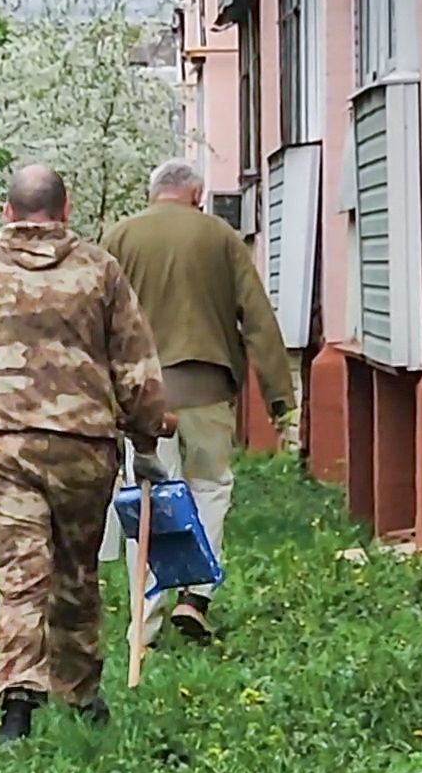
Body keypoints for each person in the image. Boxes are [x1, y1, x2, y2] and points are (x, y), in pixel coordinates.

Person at [0, 164, 170, 744]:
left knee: (21, 576)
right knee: (76, 571)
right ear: (66, 207)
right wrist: (146, 439)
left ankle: (17, 711)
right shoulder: (98, 269)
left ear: (7, 211)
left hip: (8, 444)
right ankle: (81, 696)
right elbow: (135, 363)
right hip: (84, 445)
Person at [99, 159, 294, 645]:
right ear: (196, 193)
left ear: (153, 194)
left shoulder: (118, 238)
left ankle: (144, 622)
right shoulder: (220, 237)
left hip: (140, 396)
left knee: (145, 499)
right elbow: (258, 317)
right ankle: (195, 595)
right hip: (207, 389)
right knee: (208, 487)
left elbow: (92, 314)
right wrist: (279, 397)